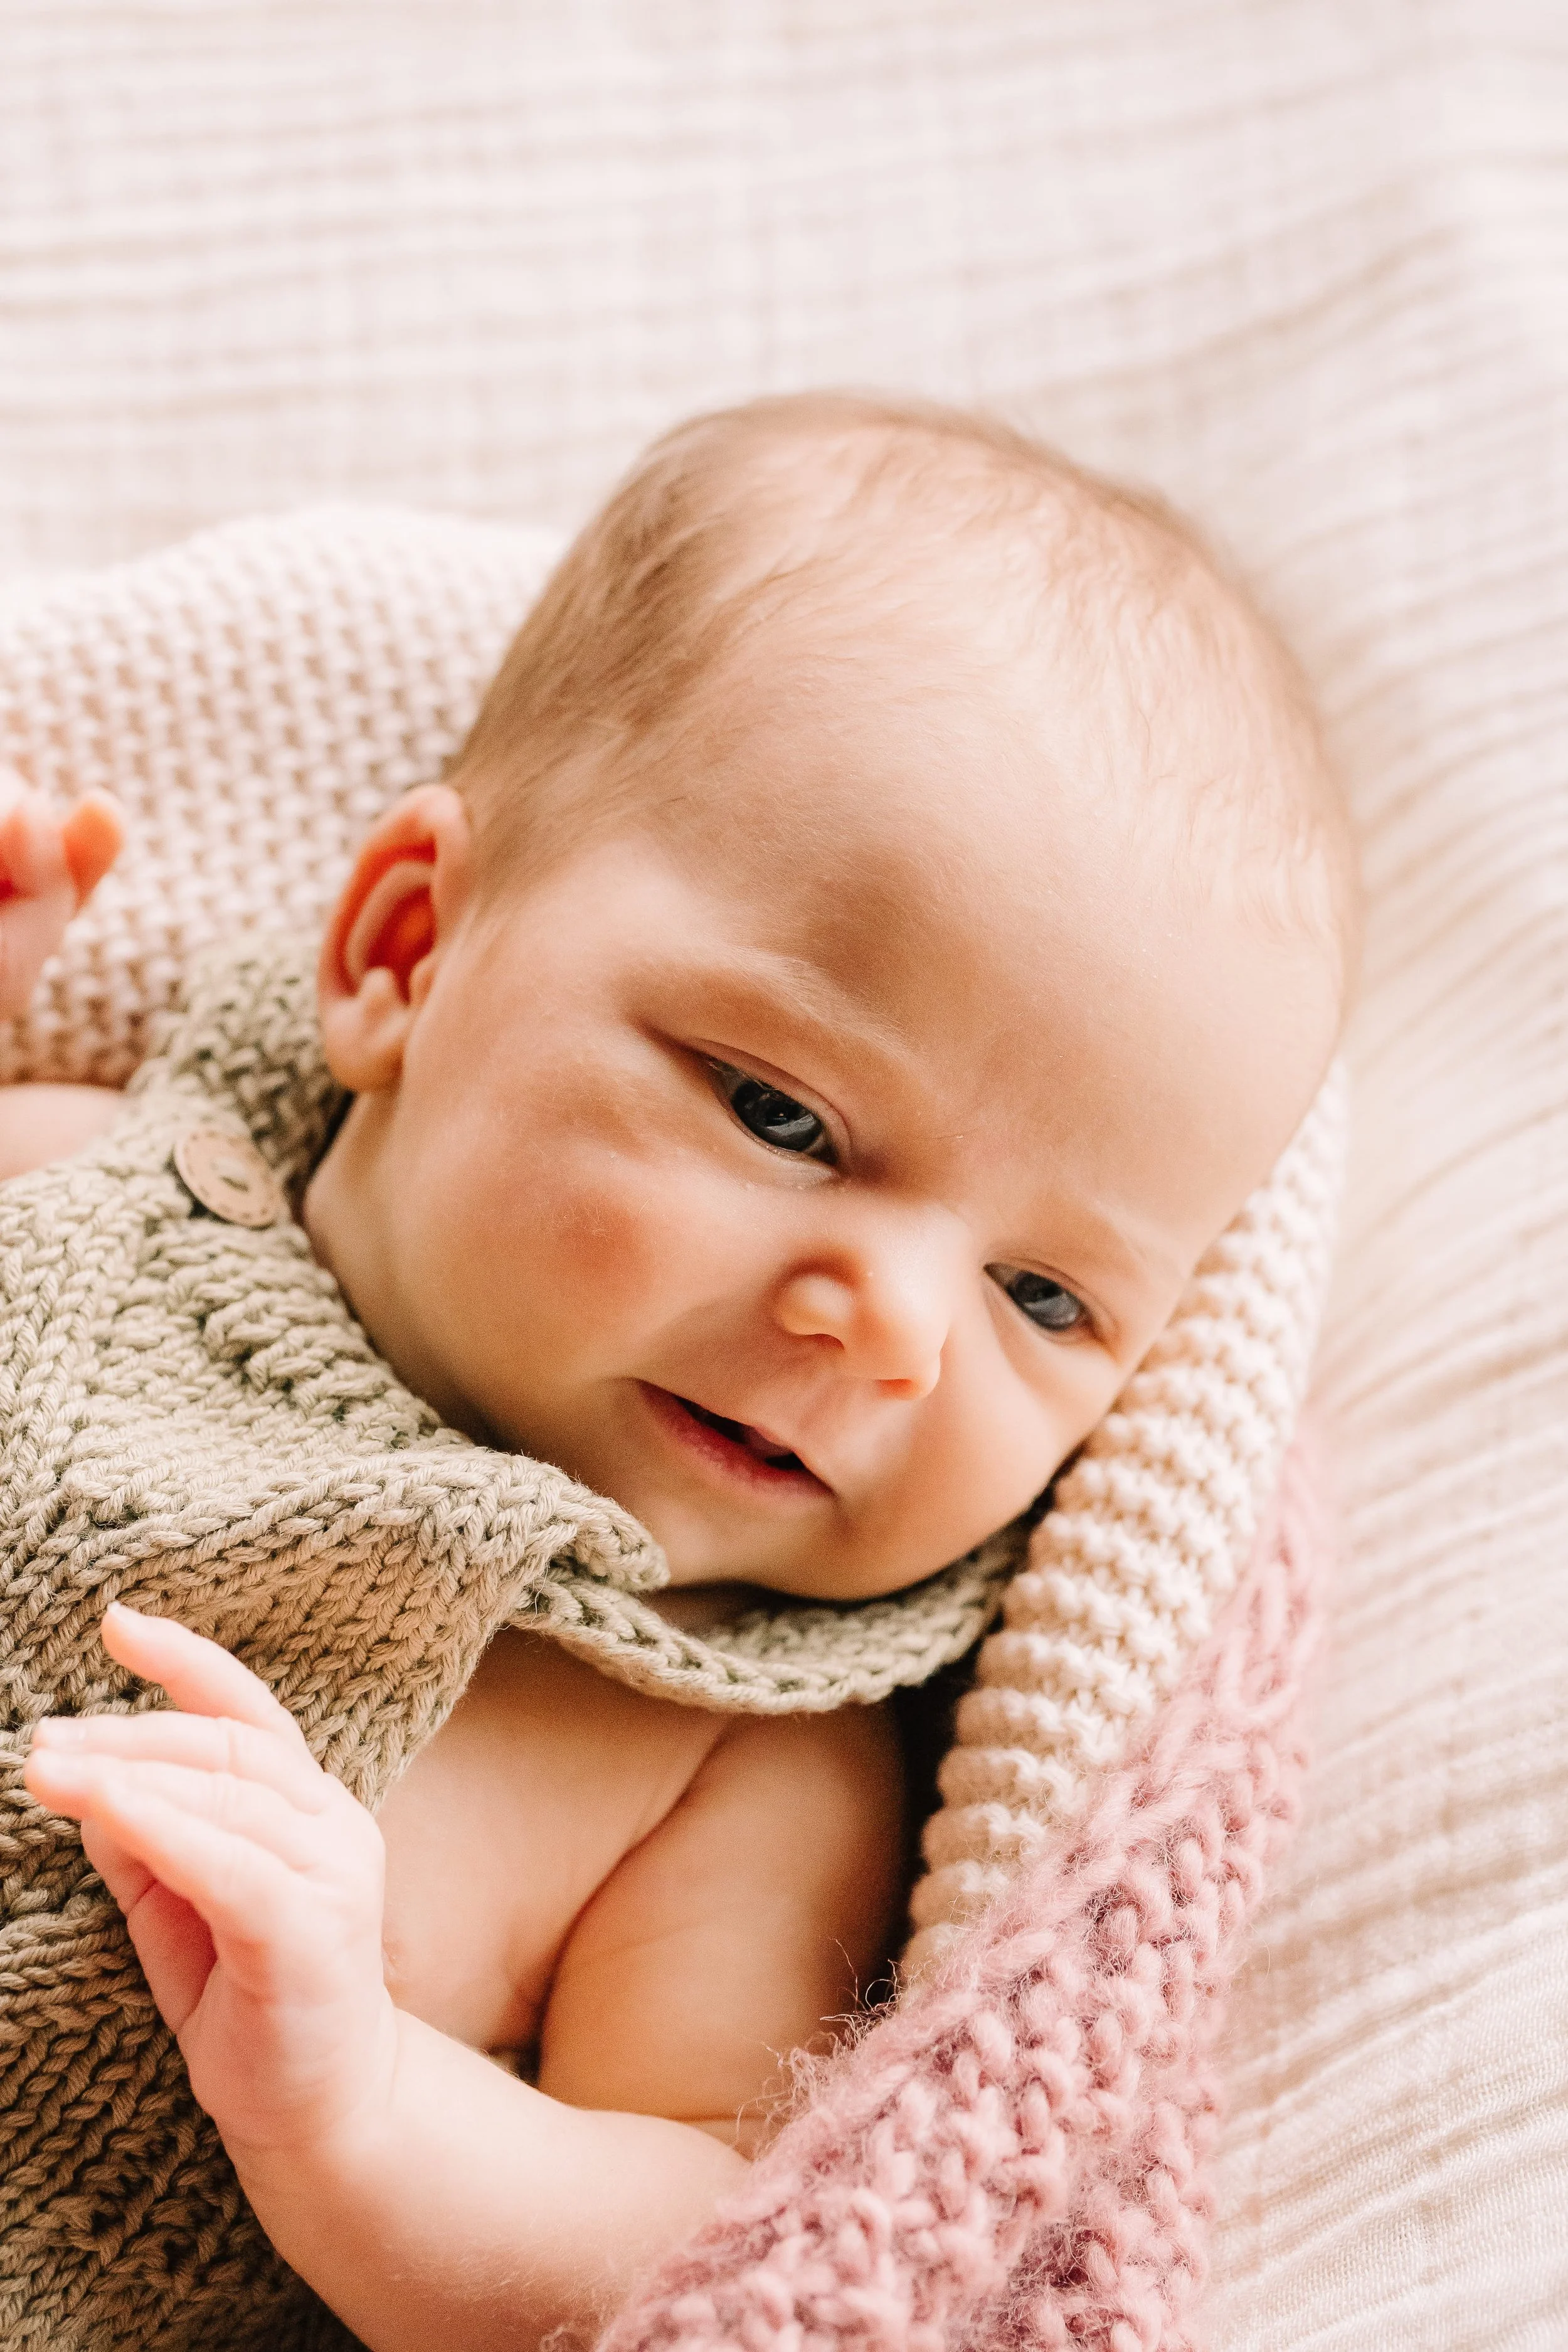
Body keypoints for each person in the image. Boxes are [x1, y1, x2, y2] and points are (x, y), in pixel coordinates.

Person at [6, 393, 1355, 2351]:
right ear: (407, 950)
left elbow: (698, 2224)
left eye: (1043, 1297)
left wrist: (361, 2103)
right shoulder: (84, 1176)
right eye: (784, 1114)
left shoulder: (741, 1759)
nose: (886, 1320)